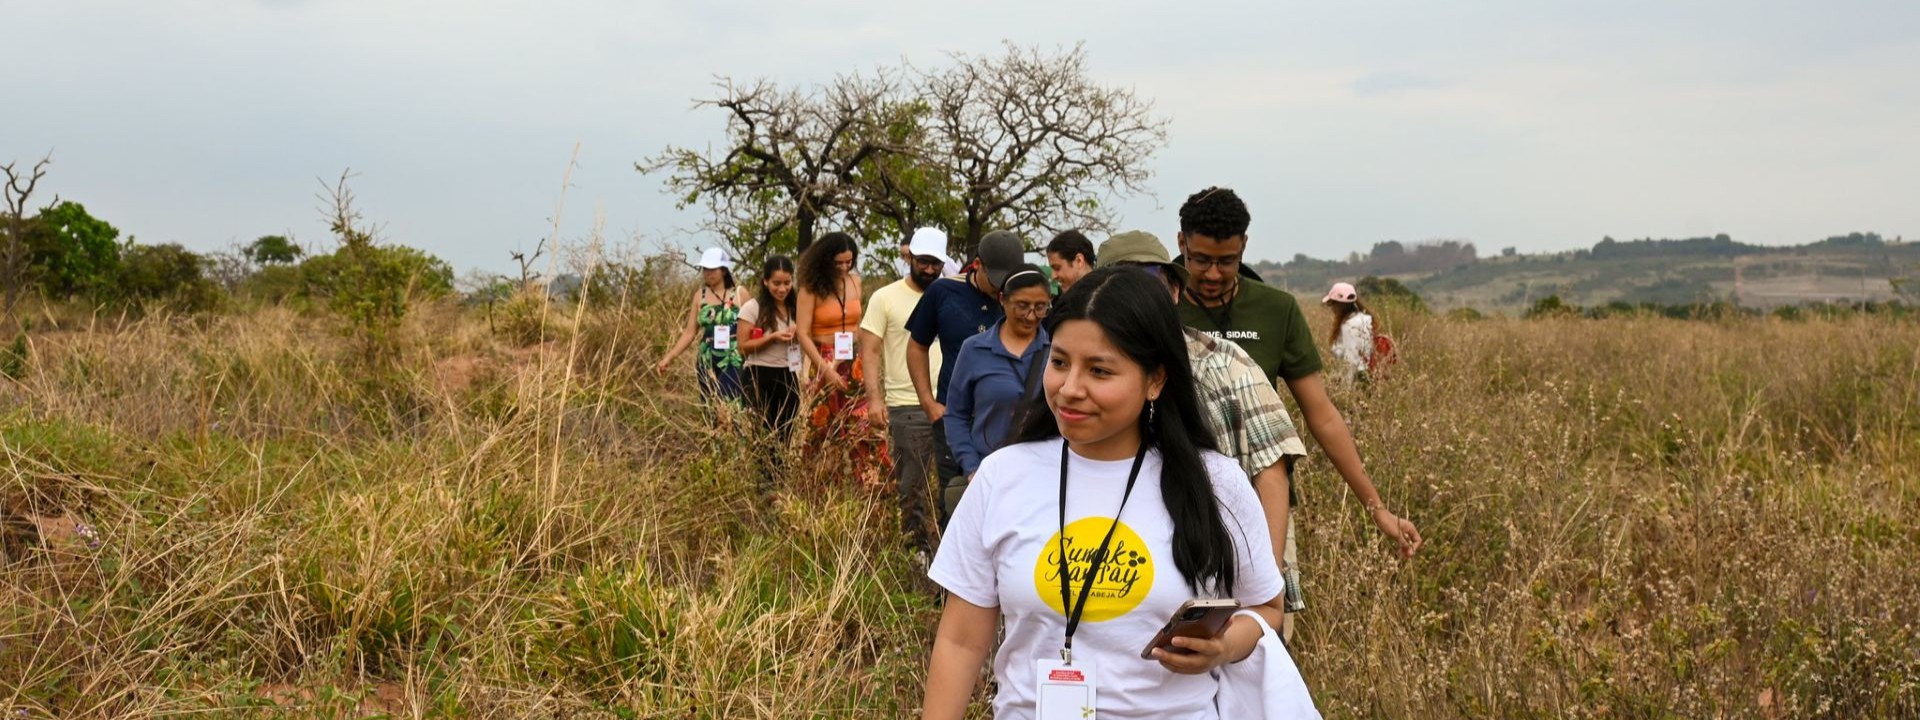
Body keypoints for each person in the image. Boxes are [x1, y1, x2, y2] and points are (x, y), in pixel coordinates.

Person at [922, 267, 1286, 720]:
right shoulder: (1002, 476)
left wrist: (1225, 646)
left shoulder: (1215, 482)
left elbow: (1266, 606)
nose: (1070, 389)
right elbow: (960, 640)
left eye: (1099, 370)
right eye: (1059, 362)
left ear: (1155, 380)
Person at [1173, 187, 1421, 592]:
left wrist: (1377, 508)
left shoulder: (1276, 309)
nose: (1213, 274)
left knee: (1265, 615)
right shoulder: (1159, 302)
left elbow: (1322, 415)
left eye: (1227, 261)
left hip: (1262, 502)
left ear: (1244, 246)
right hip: (1178, 499)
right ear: (1181, 242)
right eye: (1200, 260)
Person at [1099, 229, 1313, 640]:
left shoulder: (1224, 363)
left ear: (1174, 291)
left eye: (1151, 285)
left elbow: (1271, 469)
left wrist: (1261, 589)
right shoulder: (1074, 367)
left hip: (1218, 575)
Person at [905, 229, 1026, 516]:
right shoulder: (943, 292)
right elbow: (917, 346)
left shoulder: (1023, 299)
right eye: (995, 280)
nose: (1000, 289)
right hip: (953, 417)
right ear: (977, 264)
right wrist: (928, 402)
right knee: (955, 498)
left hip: (1005, 420)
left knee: (1004, 500)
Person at [861, 227, 952, 556]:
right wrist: (874, 399)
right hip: (907, 405)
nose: (928, 269)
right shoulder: (884, 298)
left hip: (950, 403)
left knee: (952, 486)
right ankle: (916, 552)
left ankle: (950, 552)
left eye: (935, 263)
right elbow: (870, 350)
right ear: (910, 257)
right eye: (923, 261)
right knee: (912, 485)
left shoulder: (951, 294)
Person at [942, 265, 1051, 480]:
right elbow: (955, 415)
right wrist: (971, 467)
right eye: (1022, 306)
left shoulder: (1056, 352)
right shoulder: (974, 349)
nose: (1031, 316)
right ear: (1002, 300)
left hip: (1040, 475)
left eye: (1041, 307)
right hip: (987, 473)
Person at [654, 247, 748, 400]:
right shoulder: (700, 296)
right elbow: (690, 333)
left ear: (724, 270)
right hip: (707, 357)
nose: (708, 273)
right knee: (710, 403)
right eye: (705, 269)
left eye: (712, 269)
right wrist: (669, 357)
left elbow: (753, 326)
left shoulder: (739, 293)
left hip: (733, 356)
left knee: (732, 400)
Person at [737, 255, 802, 446]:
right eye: (776, 283)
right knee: (761, 437)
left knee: (785, 436)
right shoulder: (752, 308)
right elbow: (742, 347)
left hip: (788, 375)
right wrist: (771, 338)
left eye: (787, 283)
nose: (782, 289)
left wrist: (800, 334)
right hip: (758, 374)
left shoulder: (797, 307)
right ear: (765, 281)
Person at [1323, 282, 1374, 384]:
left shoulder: (1349, 326)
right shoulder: (1366, 319)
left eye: (1332, 303)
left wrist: (1346, 389)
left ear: (1339, 305)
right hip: (1369, 376)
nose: (1331, 308)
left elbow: (1351, 362)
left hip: (1357, 380)